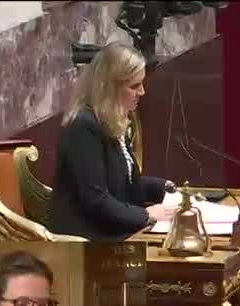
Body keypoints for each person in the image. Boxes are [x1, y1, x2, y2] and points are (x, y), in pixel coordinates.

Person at [49, 42, 178, 240]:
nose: (142, 92)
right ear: (108, 88)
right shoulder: (83, 126)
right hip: (88, 242)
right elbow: (95, 199)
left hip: (113, 232)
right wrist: (146, 215)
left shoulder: (110, 120)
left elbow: (121, 184)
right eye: (134, 86)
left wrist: (165, 189)